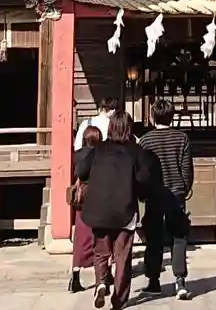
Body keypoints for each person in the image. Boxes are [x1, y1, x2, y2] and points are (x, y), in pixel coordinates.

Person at [74, 110, 153, 309]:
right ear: (128, 128)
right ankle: (118, 299)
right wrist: (140, 194)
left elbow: (82, 171)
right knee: (122, 256)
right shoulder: (136, 151)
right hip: (124, 209)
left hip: (98, 208)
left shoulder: (98, 149)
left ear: (110, 127)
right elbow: (144, 180)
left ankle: (101, 283)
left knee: (101, 251)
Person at [138, 99, 194, 300]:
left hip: (154, 194)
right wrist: (185, 187)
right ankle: (180, 280)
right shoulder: (182, 138)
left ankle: (153, 281)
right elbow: (186, 168)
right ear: (172, 116)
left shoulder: (145, 141)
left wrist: (143, 193)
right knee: (178, 237)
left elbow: (142, 173)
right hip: (176, 193)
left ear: (153, 116)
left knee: (154, 239)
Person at [67, 124, 104, 293]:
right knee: (101, 237)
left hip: (82, 200)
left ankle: (75, 274)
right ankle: (103, 276)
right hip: (98, 198)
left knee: (81, 237)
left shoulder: (78, 155)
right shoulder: (102, 155)